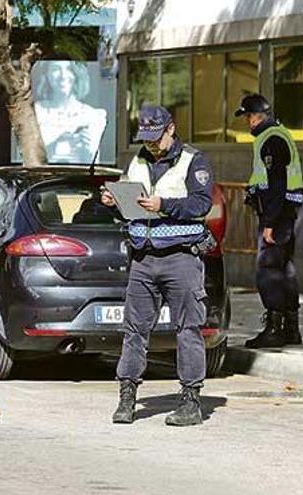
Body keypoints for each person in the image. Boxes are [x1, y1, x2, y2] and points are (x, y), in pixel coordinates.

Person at [102, 105, 214, 427]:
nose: (150, 144)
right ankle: (127, 398)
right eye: (146, 138)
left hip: (180, 258)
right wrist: (113, 201)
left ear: (171, 129)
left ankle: (191, 401)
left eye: (156, 137)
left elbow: (201, 203)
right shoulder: (137, 161)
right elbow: (130, 204)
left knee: (188, 329)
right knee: (134, 330)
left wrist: (164, 205)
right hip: (143, 257)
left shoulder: (194, 160)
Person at [235, 94, 303, 349]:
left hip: (276, 215)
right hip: (283, 214)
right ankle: (291, 328)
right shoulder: (278, 135)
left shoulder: (271, 139)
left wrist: (270, 223)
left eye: (247, 117)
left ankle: (275, 328)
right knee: (285, 269)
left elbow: (277, 184)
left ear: (257, 116)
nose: (247, 122)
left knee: (269, 270)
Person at [33, 61, 107, 163]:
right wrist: (54, 145)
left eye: (69, 69)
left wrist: (89, 151)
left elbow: (95, 164)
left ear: (77, 74)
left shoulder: (93, 116)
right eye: (56, 69)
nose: (63, 76)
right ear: (46, 75)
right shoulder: (35, 112)